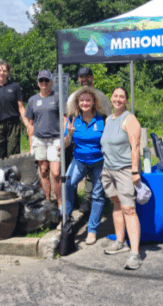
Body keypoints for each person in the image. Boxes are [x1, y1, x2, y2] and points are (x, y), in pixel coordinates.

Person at [101, 87, 143, 270]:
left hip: (124, 171)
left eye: (122, 96)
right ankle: (120, 241)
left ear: (126, 100)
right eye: (115, 96)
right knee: (116, 204)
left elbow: (136, 147)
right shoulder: (108, 119)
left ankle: (135, 254)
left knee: (129, 209)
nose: (118, 99)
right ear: (111, 98)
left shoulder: (130, 119)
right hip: (108, 170)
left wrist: (135, 171)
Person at [62, 86, 108, 245]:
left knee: (97, 195)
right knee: (67, 183)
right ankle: (66, 217)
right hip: (79, 160)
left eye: (88, 100)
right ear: (77, 103)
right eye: (82, 100)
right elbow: (65, 144)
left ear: (94, 102)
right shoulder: (73, 119)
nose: (85, 103)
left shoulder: (102, 119)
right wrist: (69, 134)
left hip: (99, 162)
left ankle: (92, 230)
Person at [68, 66, 111, 215]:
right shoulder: (74, 96)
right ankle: (86, 200)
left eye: (87, 76)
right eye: (82, 77)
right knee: (77, 173)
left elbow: (107, 115)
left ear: (92, 78)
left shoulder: (101, 97)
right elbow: (69, 115)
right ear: (79, 79)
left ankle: (94, 198)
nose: (85, 79)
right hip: (80, 140)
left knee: (96, 170)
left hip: (98, 141)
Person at [25, 70, 62, 207]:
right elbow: (30, 124)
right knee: (44, 171)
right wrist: (31, 145)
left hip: (54, 139)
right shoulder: (32, 100)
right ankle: (47, 200)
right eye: (41, 81)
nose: (44, 83)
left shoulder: (57, 98)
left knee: (56, 172)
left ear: (51, 82)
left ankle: (60, 202)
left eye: (47, 80)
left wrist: (65, 138)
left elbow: (64, 118)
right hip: (39, 140)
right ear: (38, 83)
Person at [0, 59, 28, 160]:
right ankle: (0, 175)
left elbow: (21, 107)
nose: (2, 73)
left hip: (13, 125)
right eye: (0, 70)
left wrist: (27, 125)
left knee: (13, 154)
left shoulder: (15, 86)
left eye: (4, 71)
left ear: (8, 73)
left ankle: (12, 174)